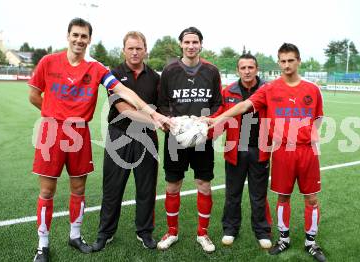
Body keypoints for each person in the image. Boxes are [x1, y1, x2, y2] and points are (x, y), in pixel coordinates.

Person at [28, 18, 170, 262]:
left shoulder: (97, 69)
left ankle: (75, 236)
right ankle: (43, 245)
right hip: (53, 131)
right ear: (68, 36)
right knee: (47, 189)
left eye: (84, 36)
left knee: (79, 188)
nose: (79, 40)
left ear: (89, 39)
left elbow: (123, 92)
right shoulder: (48, 62)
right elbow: (33, 95)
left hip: (79, 133)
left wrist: (155, 114)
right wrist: (55, 114)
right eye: (75, 35)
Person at [205, 43, 326, 261]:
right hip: (267, 150)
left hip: (298, 151)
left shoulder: (311, 89)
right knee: (275, 195)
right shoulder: (267, 89)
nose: (287, 65)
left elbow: (318, 118)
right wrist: (215, 120)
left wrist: (307, 138)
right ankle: (280, 238)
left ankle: (308, 242)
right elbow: (242, 107)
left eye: (291, 60)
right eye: (283, 61)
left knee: (302, 198)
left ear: (299, 61)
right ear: (278, 62)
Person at [92, 31, 160, 251]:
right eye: (130, 48)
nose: (134, 52)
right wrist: (157, 121)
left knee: (146, 188)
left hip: (147, 138)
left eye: (138, 48)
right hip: (119, 136)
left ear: (145, 49)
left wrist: (165, 119)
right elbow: (123, 109)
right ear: (123, 50)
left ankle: (145, 232)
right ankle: (105, 233)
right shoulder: (113, 74)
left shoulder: (155, 77)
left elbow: (161, 107)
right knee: (113, 188)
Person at [156, 26, 222, 253]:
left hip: (202, 138)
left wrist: (206, 121)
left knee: (203, 184)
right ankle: (172, 232)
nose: (191, 46)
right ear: (181, 44)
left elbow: (217, 103)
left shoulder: (212, 71)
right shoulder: (169, 70)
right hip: (176, 138)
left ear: (201, 45)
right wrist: (174, 123)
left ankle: (203, 234)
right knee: (173, 185)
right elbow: (162, 102)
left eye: (195, 42)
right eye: (187, 42)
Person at [210, 53, 273, 249]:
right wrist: (204, 131)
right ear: (238, 70)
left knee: (258, 194)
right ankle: (230, 229)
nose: (247, 71)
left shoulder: (268, 90)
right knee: (233, 194)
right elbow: (220, 116)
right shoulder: (228, 91)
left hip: (260, 150)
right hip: (235, 150)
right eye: (243, 68)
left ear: (257, 69)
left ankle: (262, 231)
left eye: (250, 67)